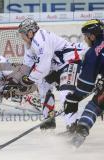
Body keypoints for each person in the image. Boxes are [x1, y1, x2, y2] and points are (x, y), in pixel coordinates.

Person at [17, 18, 87, 131]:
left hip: (71, 61)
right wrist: (21, 80)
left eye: (22, 34)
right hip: (57, 67)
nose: (21, 37)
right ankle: (48, 119)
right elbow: (28, 64)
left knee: (66, 93)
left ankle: (73, 125)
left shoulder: (40, 38)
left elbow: (43, 67)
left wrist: (29, 80)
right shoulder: (29, 44)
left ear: (30, 33)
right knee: (42, 84)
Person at [63, 19, 104, 147]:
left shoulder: (93, 52)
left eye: (86, 36)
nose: (85, 40)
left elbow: (86, 85)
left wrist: (73, 98)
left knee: (94, 106)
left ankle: (80, 134)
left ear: (92, 36)